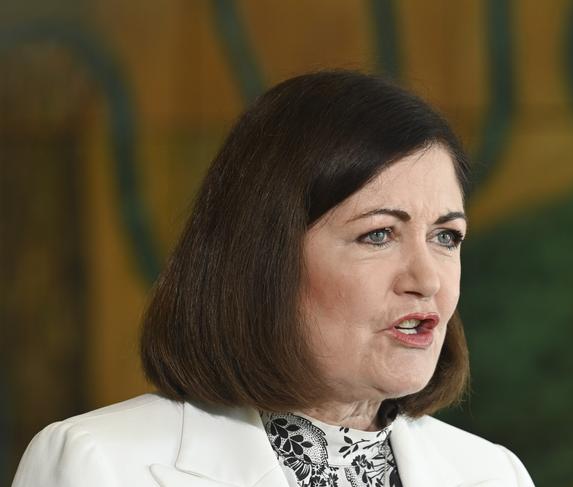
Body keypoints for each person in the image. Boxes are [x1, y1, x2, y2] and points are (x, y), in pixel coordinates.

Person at [13, 70, 535, 487]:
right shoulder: (98, 465)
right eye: (378, 235)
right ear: (265, 259)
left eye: (446, 237)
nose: (427, 279)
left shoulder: (493, 474)